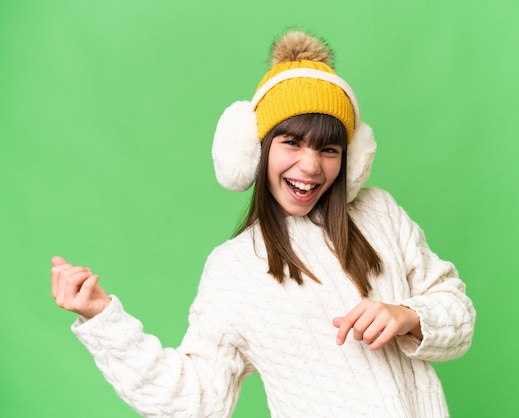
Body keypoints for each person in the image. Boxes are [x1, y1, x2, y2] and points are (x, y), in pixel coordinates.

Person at [51, 30, 476, 417]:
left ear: (350, 159)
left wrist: (406, 315)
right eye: (291, 142)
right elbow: (193, 400)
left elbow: (458, 316)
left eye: (329, 149)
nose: (310, 166)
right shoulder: (234, 269)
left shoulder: (379, 212)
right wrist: (100, 316)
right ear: (254, 150)